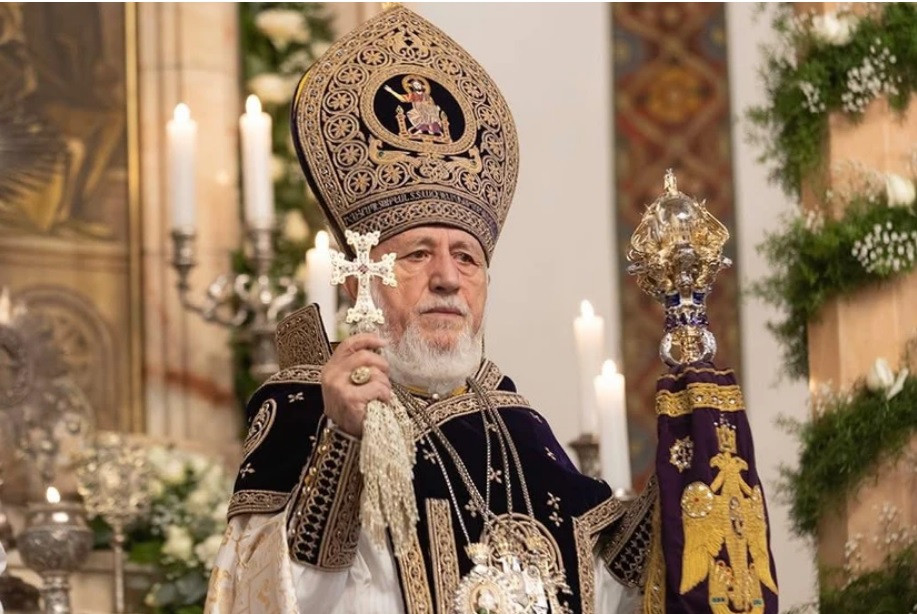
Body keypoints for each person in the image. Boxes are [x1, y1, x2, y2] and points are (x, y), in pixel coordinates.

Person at [206, 6, 777, 614]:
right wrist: (343, 440)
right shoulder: (305, 406)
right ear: (358, 283)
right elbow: (275, 593)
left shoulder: (513, 423)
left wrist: (685, 460)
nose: (448, 278)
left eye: (467, 258)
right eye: (418, 254)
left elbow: (605, 583)